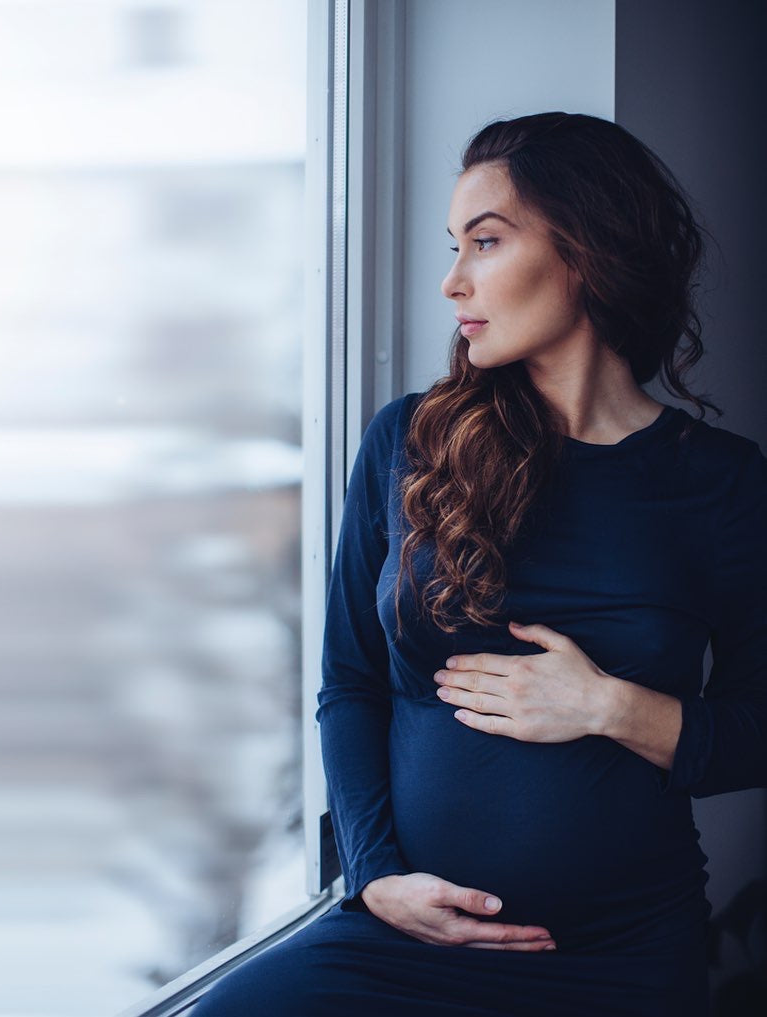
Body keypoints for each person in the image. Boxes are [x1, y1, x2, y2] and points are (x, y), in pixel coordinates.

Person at [191, 112, 767, 1016]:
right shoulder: (408, 440)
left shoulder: (720, 483)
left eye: (485, 242)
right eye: (453, 245)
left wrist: (609, 706)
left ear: (586, 249)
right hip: (399, 939)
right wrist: (374, 877)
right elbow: (349, 682)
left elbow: (756, 725)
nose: (452, 279)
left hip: (618, 954)